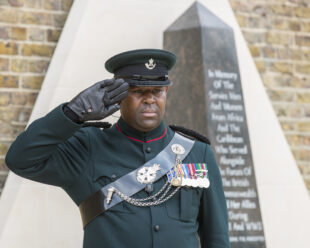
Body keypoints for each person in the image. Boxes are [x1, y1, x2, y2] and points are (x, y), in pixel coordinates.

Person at [5, 49, 230, 248]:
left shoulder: (197, 152)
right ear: (119, 95)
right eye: (139, 91)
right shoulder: (88, 147)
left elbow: (217, 237)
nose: (150, 99)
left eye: (157, 91)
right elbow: (20, 159)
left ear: (166, 93)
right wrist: (72, 114)